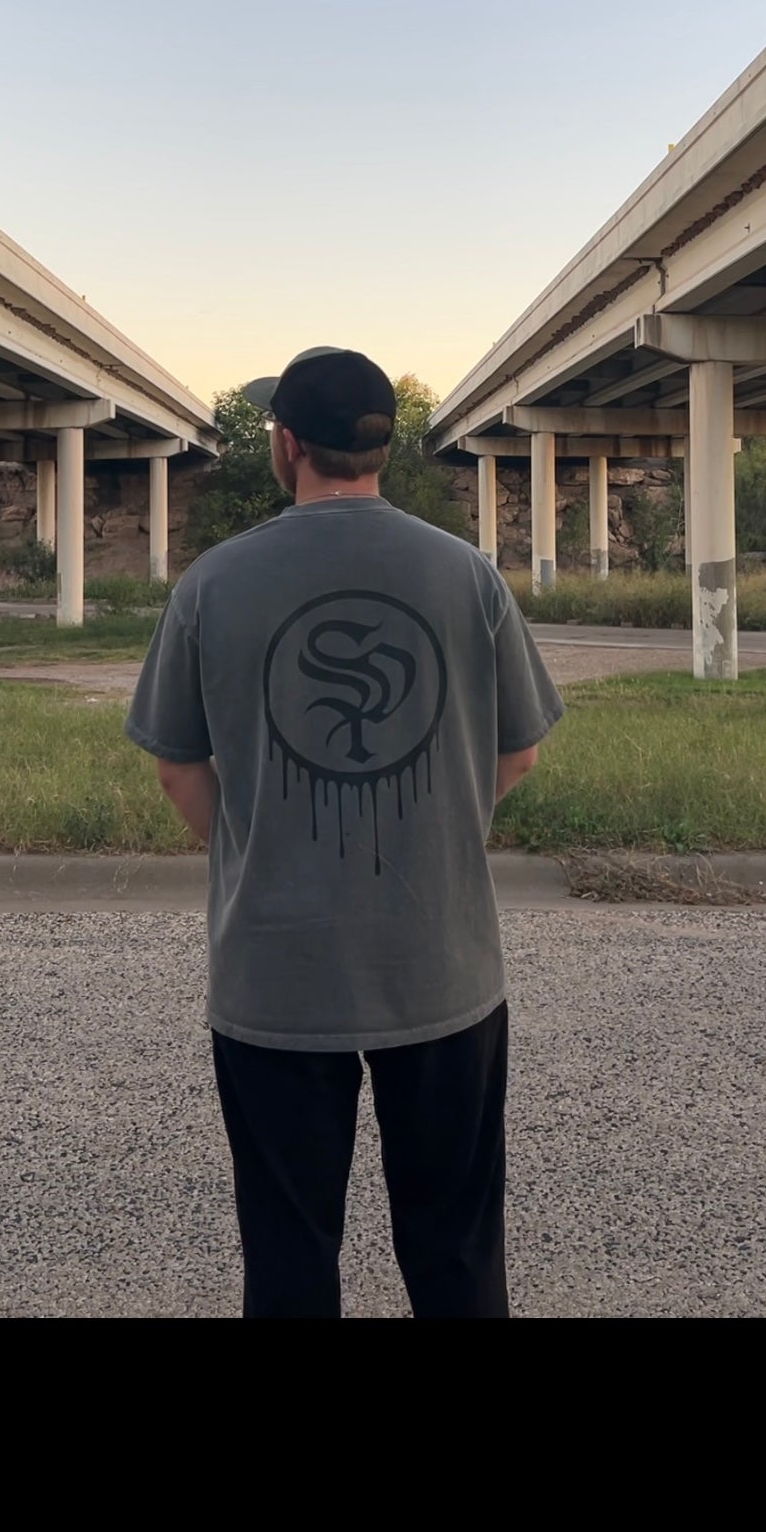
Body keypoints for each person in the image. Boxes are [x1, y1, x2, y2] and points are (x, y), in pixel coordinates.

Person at [124, 344, 564, 1319]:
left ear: (286, 445)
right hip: (443, 968)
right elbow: (521, 752)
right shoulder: (468, 575)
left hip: (273, 974)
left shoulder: (212, 581)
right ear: (385, 448)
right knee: (457, 1256)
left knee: (288, 1256)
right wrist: (441, 829)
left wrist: (257, 846)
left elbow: (176, 765)